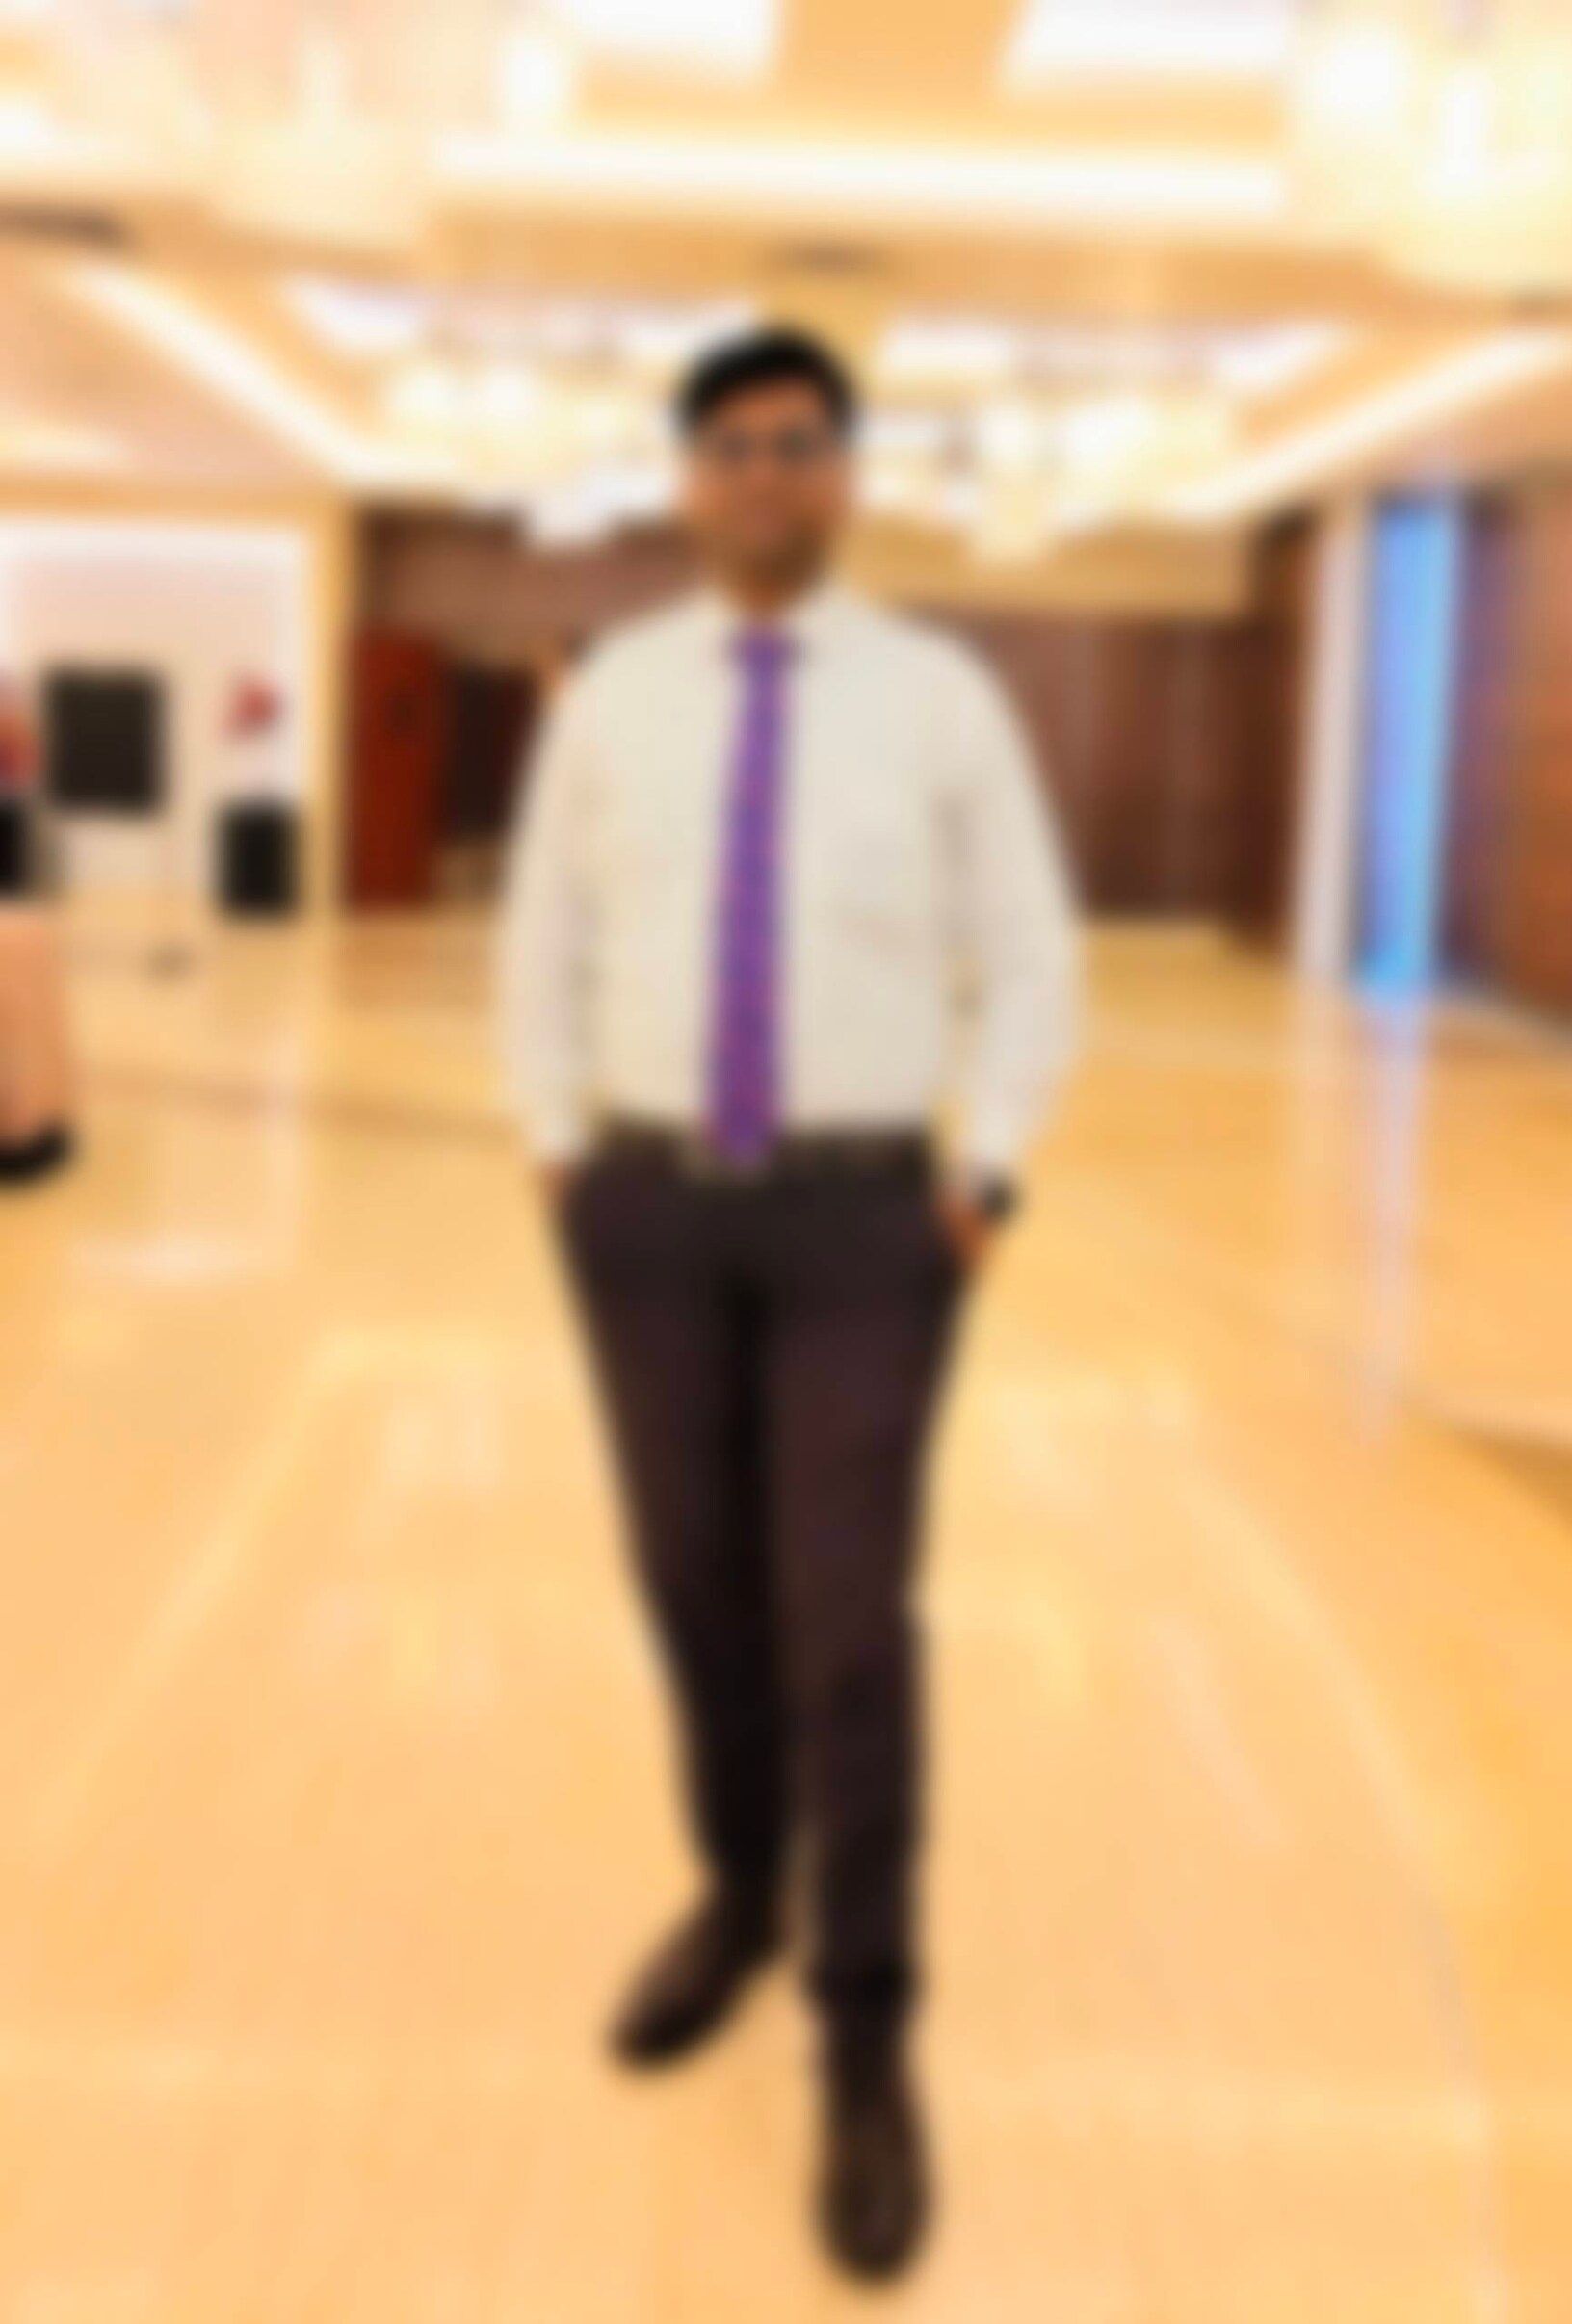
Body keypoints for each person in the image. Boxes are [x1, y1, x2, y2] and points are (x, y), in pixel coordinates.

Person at [498, 326, 1079, 2280]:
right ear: (687, 478)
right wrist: (559, 1148)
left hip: (860, 1226)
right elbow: (541, 937)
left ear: (847, 473)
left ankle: (864, 2035)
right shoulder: (611, 697)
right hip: (647, 1207)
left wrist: (983, 1175)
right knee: (693, 1582)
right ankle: (741, 1893)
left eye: (800, 442)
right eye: (732, 444)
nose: (765, 472)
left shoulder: (941, 695)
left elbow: (1034, 951)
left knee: (847, 1623)